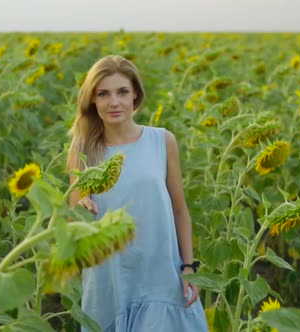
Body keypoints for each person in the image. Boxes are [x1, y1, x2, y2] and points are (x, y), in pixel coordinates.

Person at [67, 55, 209, 332]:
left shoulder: (162, 141)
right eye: (103, 94)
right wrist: (81, 208)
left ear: (135, 96)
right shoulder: (83, 149)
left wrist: (189, 266)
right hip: (108, 280)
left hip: (159, 275)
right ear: (92, 100)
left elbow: (180, 210)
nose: (114, 102)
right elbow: (74, 226)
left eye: (122, 92)